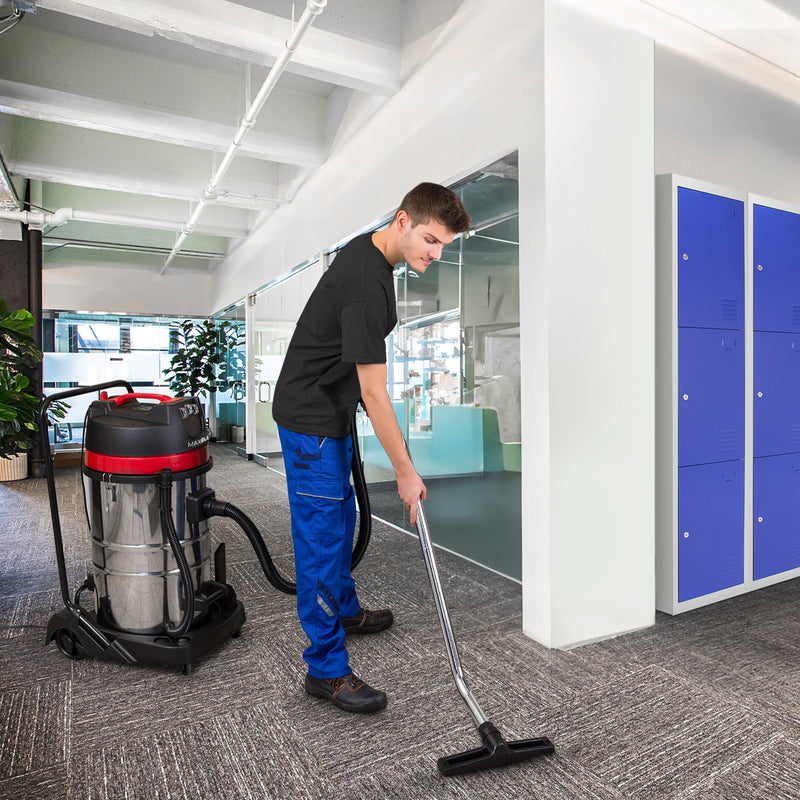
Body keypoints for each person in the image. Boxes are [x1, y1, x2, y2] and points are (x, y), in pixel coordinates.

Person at [272, 182, 472, 713]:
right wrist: (407, 474)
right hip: (311, 419)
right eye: (430, 239)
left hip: (329, 412)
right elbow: (375, 391)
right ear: (403, 220)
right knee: (320, 538)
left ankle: (344, 609)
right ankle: (326, 670)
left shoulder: (373, 257)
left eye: (443, 246)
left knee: (339, 523)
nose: (435, 252)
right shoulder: (365, 281)